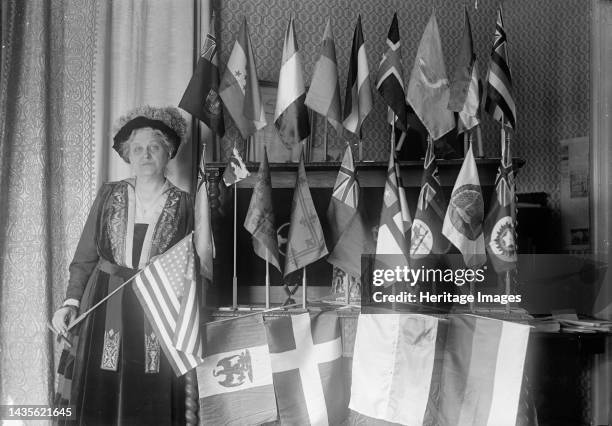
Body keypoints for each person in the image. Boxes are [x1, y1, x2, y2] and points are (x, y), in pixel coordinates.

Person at [51, 105, 193, 425]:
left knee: (150, 381)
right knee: (101, 381)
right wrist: (70, 301)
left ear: (168, 153)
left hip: (157, 307)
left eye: (154, 147)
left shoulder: (184, 203)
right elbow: (85, 255)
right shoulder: (109, 194)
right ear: (128, 155)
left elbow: (194, 266)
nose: (145, 155)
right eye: (138, 148)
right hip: (104, 300)